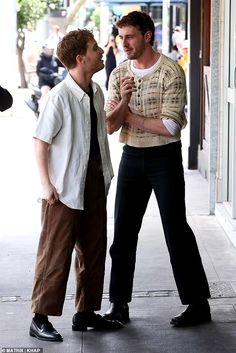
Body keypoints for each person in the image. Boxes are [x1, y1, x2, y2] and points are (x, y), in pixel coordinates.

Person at [103, 11, 211, 328]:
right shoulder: (118, 73)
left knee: (176, 230)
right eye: (121, 37)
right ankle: (118, 304)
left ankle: (198, 304)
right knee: (122, 232)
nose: (124, 43)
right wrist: (123, 101)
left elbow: (170, 126)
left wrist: (127, 115)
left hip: (165, 159)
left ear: (147, 36)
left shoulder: (171, 72)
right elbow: (110, 125)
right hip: (131, 156)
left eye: (130, 36)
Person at [29, 28, 123, 343]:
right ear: (81, 58)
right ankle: (39, 317)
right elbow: (40, 142)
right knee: (55, 252)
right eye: (95, 48)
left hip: (94, 180)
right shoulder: (58, 96)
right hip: (63, 188)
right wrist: (46, 185)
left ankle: (85, 314)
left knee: (94, 250)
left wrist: (124, 100)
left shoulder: (96, 92)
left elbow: (106, 126)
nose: (101, 52)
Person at [36, 42, 64, 113]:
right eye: (48, 49)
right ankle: (41, 112)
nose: (49, 50)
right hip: (45, 82)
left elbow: (65, 65)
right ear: (44, 49)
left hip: (55, 81)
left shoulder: (55, 59)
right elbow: (38, 72)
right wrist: (46, 74)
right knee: (46, 92)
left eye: (50, 49)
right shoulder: (40, 59)